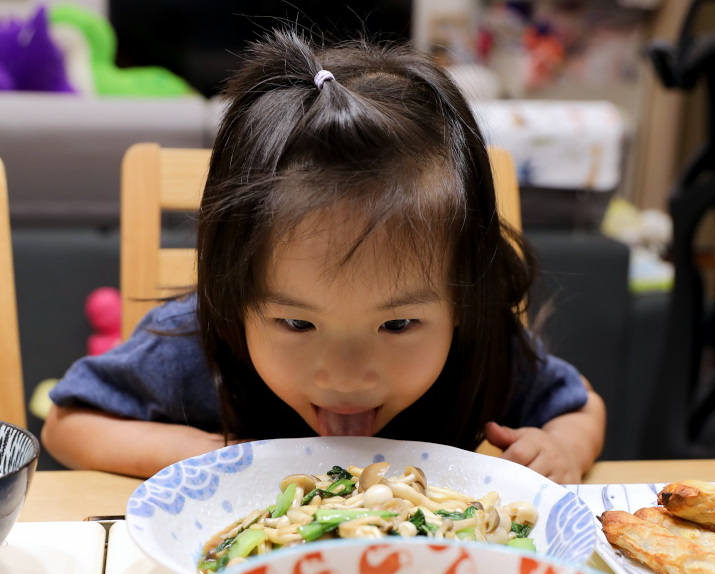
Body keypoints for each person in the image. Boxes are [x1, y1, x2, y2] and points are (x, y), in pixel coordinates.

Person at [43, 30, 605, 483]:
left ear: (464, 295)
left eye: (398, 323)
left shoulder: (482, 350)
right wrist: (208, 452)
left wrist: (562, 448)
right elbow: (68, 423)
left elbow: (580, 406)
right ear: (233, 296)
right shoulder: (196, 348)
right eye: (296, 322)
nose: (346, 377)